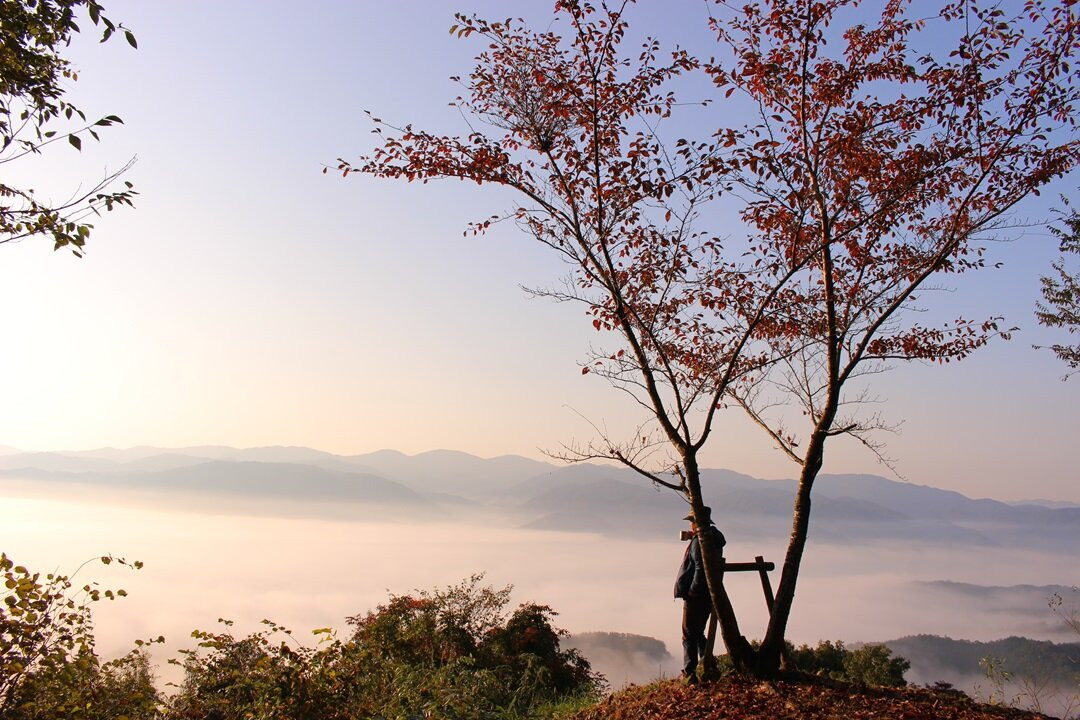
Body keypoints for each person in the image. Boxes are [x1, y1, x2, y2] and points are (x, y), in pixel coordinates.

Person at [673, 505, 726, 684]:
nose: (691, 526)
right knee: (697, 632)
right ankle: (709, 665)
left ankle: (689, 674)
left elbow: (699, 567)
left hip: (697, 596)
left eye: (692, 522)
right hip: (709, 594)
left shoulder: (699, 542)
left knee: (688, 634)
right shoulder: (712, 539)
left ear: (696, 523)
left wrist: (693, 590)